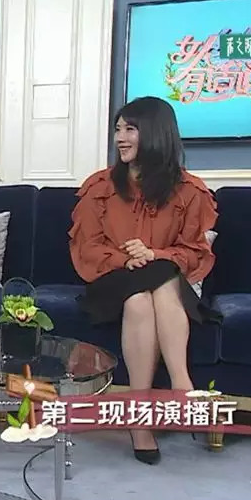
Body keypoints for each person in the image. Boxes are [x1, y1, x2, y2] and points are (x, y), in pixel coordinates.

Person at [68, 96, 219, 465]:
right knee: (153, 277)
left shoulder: (189, 191)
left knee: (146, 291)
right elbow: (88, 248)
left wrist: (154, 253)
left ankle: (138, 418)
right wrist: (129, 258)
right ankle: (183, 386)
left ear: (155, 133)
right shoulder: (99, 187)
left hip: (161, 280)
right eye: (118, 129)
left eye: (130, 129)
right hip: (110, 277)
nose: (120, 138)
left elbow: (195, 252)